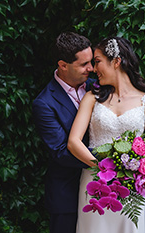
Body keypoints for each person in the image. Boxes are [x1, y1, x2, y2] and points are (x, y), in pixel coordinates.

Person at [67, 36, 145, 233]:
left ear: (116, 61)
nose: (93, 68)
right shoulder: (92, 98)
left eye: (98, 61)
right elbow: (74, 142)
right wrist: (103, 170)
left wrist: (134, 170)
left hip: (130, 188)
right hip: (95, 183)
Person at [32, 31, 95, 233]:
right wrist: (107, 162)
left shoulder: (99, 87)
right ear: (63, 65)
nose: (91, 68)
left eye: (91, 61)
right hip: (67, 193)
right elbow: (60, 151)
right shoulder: (44, 104)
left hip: (105, 192)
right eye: (84, 64)